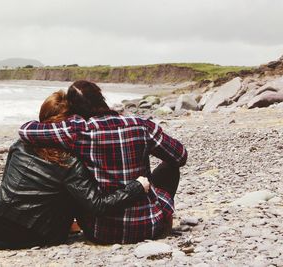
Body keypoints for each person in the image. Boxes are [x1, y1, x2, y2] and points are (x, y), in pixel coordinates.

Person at [19, 80, 187, 244]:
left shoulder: (78, 131)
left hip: (100, 231)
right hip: (148, 225)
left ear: (73, 109)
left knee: (72, 178)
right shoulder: (141, 125)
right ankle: (163, 218)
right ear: (101, 98)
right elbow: (180, 156)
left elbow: (25, 130)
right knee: (170, 166)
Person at [0, 90, 150, 250]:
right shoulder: (69, 160)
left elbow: (6, 187)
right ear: (71, 122)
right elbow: (97, 205)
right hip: (34, 235)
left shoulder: (20, 145)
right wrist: (136, 187)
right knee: (73, 194)